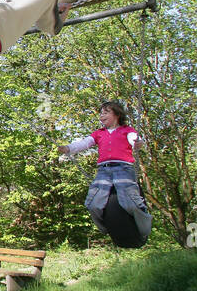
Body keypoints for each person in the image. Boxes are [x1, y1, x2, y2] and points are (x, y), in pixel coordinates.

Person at [58, 101, 152, 242]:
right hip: (104, 170)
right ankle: (107, 229)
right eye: (101, 113)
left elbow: (133, 140)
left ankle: (144, 230)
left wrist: (138, 143)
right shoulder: (99, 133)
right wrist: (68, 148)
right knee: (93, 204)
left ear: (117, 114)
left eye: (106, 112)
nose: (102, 115)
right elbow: (84, 143)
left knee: (131, 204)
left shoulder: (127, 130)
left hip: (123, 169)